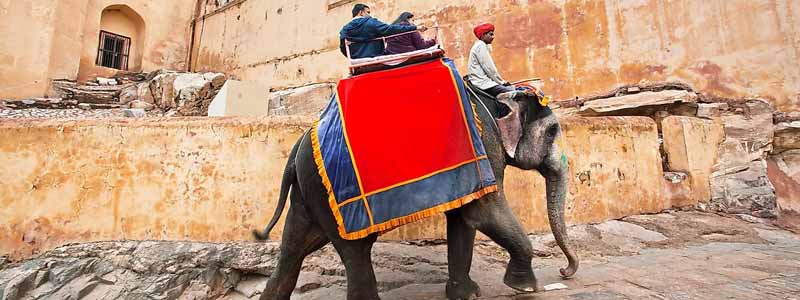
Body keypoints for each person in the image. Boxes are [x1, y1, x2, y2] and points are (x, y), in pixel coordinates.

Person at [339, 4, 428, 59]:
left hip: (357, 61)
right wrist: (415, 28)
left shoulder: (344, 30)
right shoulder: (370, 22)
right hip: (376, 57)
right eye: (368, 12)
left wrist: (354, 57)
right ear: (361, 12)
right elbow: (391, 29)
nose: (369, 15)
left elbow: (343, 48)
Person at [467, 23, 514, 97]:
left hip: (485, 81)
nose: (493, 37)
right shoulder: (480, 46)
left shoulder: (482, 46)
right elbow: (489, 68)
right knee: (513, 92)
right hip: (482, 83)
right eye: (491, 34)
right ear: (483, 35)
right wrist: (501, 82)